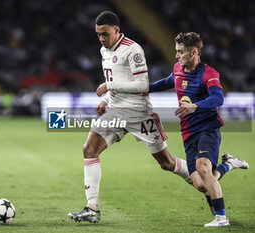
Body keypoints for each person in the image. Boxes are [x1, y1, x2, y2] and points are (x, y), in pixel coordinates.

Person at [68, 11, 196, 224]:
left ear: (116, 30)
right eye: (98, 34)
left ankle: (205, 184)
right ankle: (92, 208)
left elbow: (142, 85)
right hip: (117, 111)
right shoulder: (104, 50)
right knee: (89, 148)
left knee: (166, 163)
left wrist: (109, 87)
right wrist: (107, 99)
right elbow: (119, 78)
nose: (101, 38)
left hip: (138, 113)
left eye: (105, 34)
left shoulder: (133, 50)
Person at [149, 32, 249, 227]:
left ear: (193, 53)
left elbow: (218, 98)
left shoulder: (208, 73)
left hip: (207, 128)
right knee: (202, 184)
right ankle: (228, 164)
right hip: (188, 133)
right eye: (176, 51)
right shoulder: (177, 69)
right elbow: (167, 83)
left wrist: (195, 106)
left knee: (203, 168)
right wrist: (144, 88)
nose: (176, 55)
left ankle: (221, 218)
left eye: (180, 52)